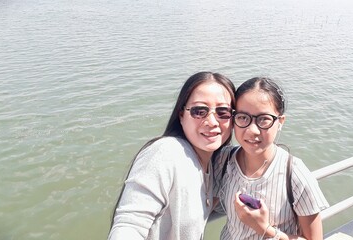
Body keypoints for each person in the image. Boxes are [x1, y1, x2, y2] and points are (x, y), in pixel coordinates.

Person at [108, 71, 235, 240]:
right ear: (181, 115)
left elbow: (200, 210)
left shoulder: (211, 166)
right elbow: (129, 225)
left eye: (223, 112)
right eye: (199, 111)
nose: (212, 121)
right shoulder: (167, 152)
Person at [213, 77, 329, 240]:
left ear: (280, 121)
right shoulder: (223, 160)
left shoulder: (294, 174)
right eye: (243, 117)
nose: (252, 130)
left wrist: (264, 228)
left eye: (264, 119)